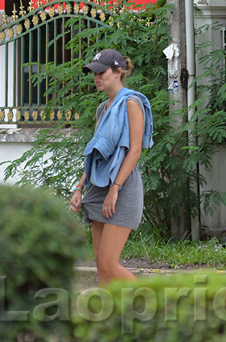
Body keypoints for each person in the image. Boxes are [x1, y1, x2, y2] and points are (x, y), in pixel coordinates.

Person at [69, 49, 153, 285]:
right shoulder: (102, 109)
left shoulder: (132, 103)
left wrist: (115, 188)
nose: (96, 77)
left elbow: (135, 151)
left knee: (109, 263)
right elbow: (97, 153)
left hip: (123, 186)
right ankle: (110, 319)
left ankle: (157, 304)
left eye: (101, 72)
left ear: (118, 72)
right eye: (93, 73)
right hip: (99, 185)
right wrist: (79, 186)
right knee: (102, 267)